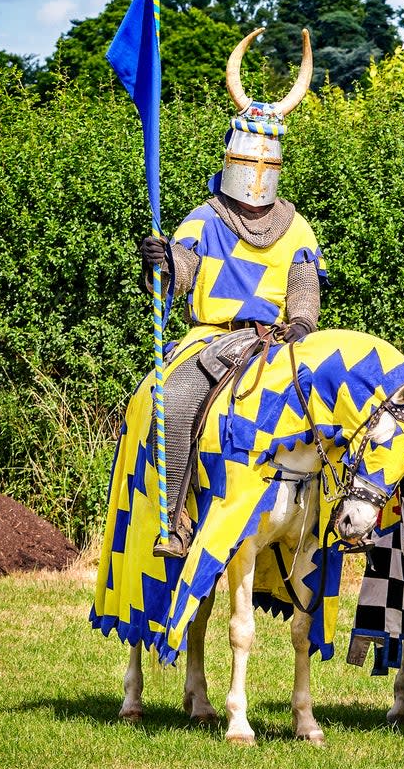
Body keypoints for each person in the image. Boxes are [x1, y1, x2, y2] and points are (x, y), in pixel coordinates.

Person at [138, 27, 325, 558]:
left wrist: (303, 327)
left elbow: (305, 297)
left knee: (339, 412)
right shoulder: (205, 218)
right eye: (251, 158)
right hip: (212, 340)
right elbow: (181, 272)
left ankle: (326, 524)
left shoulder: (297, 229)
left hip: (277, 343)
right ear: (232, 156)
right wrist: (161, 261)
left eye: (268, 160)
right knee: (173, 399)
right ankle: (174, 519)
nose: (258, 170)